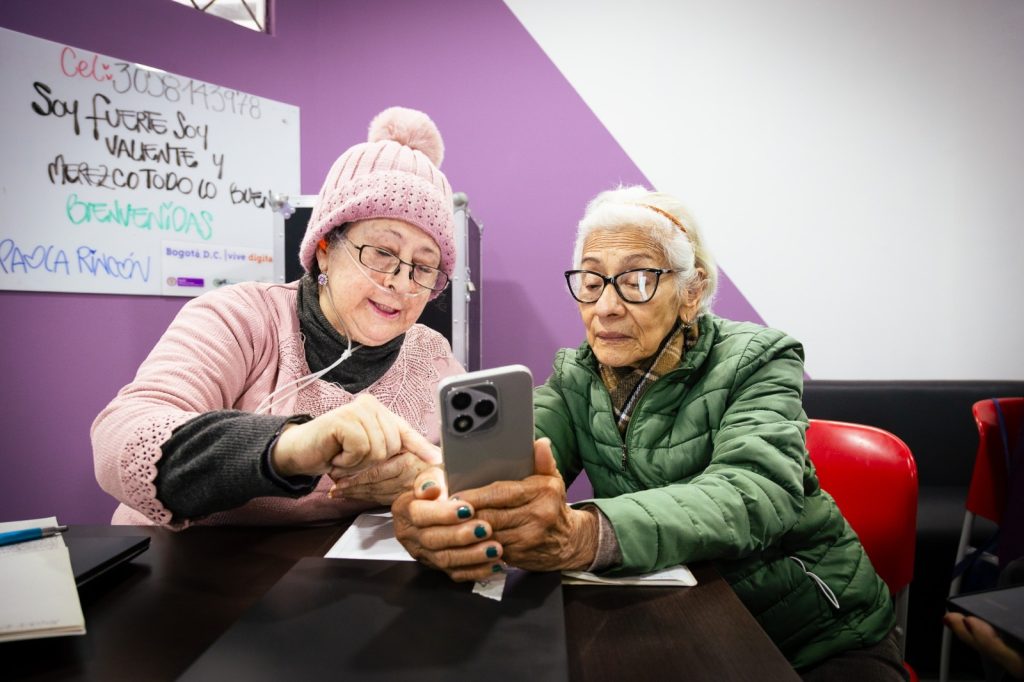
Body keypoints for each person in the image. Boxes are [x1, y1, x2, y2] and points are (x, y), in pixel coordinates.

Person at [393, 186, 906, 679]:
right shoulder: (577, 376)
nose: (605, 306)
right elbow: (511, 458)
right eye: (591, 281)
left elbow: (755, 492)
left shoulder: (758, 359)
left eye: (637, 279)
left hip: (812, 635)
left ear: (691, 292)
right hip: (680, 622)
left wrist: (586, 534)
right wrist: (439, 501)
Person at [92, 106, 464, 528]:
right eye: (381, 252)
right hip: (177, 559)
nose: (400, 282)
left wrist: (428, 477)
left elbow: (471, 472)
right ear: (324, 249)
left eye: (424, 267)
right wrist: (291, 446)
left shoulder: (431, 355)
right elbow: (121, 439)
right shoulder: (239, 319)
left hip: (329, 567)